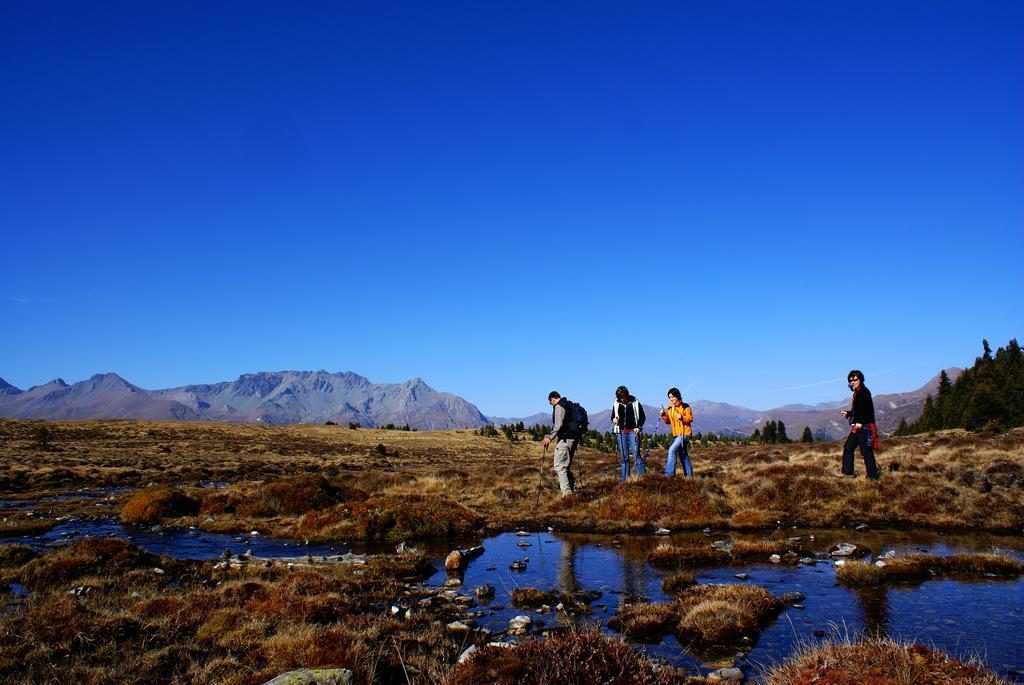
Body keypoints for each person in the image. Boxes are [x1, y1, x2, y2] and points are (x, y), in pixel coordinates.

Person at [838, 370, 880, 480]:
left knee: (866, 452)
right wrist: (848, 413)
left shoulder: (864, 392)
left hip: (864, 426)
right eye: (851, 380)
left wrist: (861, 422)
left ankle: (872, 477)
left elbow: (867, 410)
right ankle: (848, 473)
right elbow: (858, 411)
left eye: (855, 379)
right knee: (848, 447)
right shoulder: (857, 392)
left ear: (860, 379)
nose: (853, 382)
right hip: (857, 426)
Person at [541, 391, 577, 495]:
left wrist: (550, 437)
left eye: (550, 402)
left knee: (559, 466)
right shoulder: (569, 404)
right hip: (573, 438)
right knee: (565, 465)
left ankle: (567, 494)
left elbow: (558, 425)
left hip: (565, 438)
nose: (551, 405)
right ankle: (572, 488)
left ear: (552, 399)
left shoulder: (559, 406)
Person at [611, 385, 646, 481]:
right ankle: (625, 480)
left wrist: (638, 427)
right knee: (624, 457)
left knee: (636, 456)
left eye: (623, 397)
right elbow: (613, 416)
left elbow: (642, 416)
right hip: (621, 432)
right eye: (620, 397)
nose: (622, 399)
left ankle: (642, 479)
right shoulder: (616, 404)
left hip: (632, 432)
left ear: (627, 395)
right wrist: (614, 419)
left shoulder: (635, 402)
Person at [660, 387, 693, 476]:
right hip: (676, 435)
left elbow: (690, 419)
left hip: (684, 433)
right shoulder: (670, 408)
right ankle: (689, 476)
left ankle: (669, 474)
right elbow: (668, 422)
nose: (671, 399)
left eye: (672, 397)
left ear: (677, 396)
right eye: (669, 397)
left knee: (671, 450)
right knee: (683, 455)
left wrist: (682, 418)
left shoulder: (685, 406)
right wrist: (664, 415)